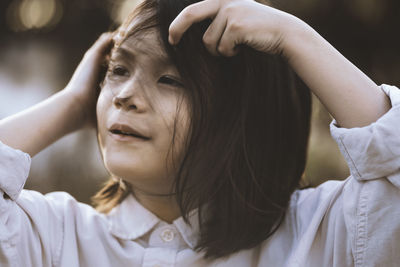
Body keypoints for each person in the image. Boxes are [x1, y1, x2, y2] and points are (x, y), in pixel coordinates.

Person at [0, 0, 399, 266]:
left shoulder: (320, 234)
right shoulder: (54, 238)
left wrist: (293, 37)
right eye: (118, 70)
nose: (125, 96)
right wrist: (71, 103)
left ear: (245, 114)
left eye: (170, 79)